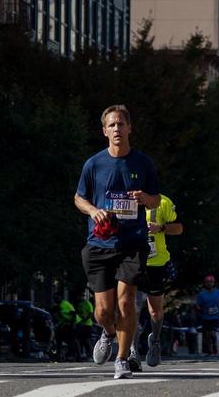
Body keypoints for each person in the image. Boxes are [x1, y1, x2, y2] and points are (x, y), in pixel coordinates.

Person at [74, 104, 161, 380]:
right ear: (104, 131)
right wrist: (92, 210)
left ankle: (122, 359)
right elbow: (79, 198)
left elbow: (156, 198)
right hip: (99, 243)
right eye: (111, 125)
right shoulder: (94, 164)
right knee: (102, 310)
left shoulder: (143, 163)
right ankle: (108, 332)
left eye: (121, 124)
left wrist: (146, 200)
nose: (117, 129)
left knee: (126, 302)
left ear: (129, 128)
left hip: (131, 243)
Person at [136, 193, 181, 368]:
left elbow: (178, 228)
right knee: (131, 307)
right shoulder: (124, 199)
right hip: (132, 261)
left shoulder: (163, 201)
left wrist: (160, 228)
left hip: (156, 263)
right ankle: (131, 352)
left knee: (155, 311)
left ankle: (154, 341)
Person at [196, 275, 219, 355]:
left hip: (216, 317)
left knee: (213, 332)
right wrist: (200, 310)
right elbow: (198, 305)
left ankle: (215, 347)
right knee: (207, 334)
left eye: (211, 282)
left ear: (214, 283)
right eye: (207, 282)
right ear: (205, 283)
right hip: (205, 317)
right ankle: (209, 350)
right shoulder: (201, 294)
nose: (209, 284)